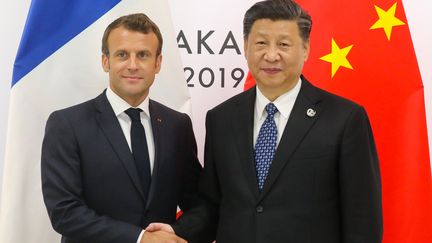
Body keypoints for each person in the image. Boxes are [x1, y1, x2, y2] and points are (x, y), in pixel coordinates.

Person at [147, 0, 383, 242]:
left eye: (283, 44)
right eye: (261, 43)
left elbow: (362, 221)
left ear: (305, 48)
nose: (271, 55)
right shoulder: (221, 119)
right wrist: (177, 233)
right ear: (246, 46)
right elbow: (212, 206)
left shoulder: (344, 119)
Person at [41, 13, 201, 243]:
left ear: (158, 63)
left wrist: (175, 234)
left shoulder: (178, 125)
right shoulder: (67, 125)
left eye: (143, 55)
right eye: (122, 55)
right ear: (106, 61)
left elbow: (198, 203)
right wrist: (140, 238)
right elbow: (64, 212)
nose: (133, 65)